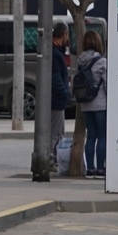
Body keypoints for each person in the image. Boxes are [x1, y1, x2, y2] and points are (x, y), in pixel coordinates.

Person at [74, 30, 108, 178]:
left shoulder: (80, 61)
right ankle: (100, 169)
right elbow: (107, 85)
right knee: (102, 136)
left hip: (85, 104)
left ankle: (90, 169)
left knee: (91, 136)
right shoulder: (102, 61)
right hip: (100, 104)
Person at [48, 23, 73, 153]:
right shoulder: (56, 53)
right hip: (56, 100)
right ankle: (51, 157)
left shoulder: (55, 51)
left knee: (58, 131)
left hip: (57, 99)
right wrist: (64, 93)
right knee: (56, 132)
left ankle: (53, 157)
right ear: (64, 34)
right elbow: (56, 78)